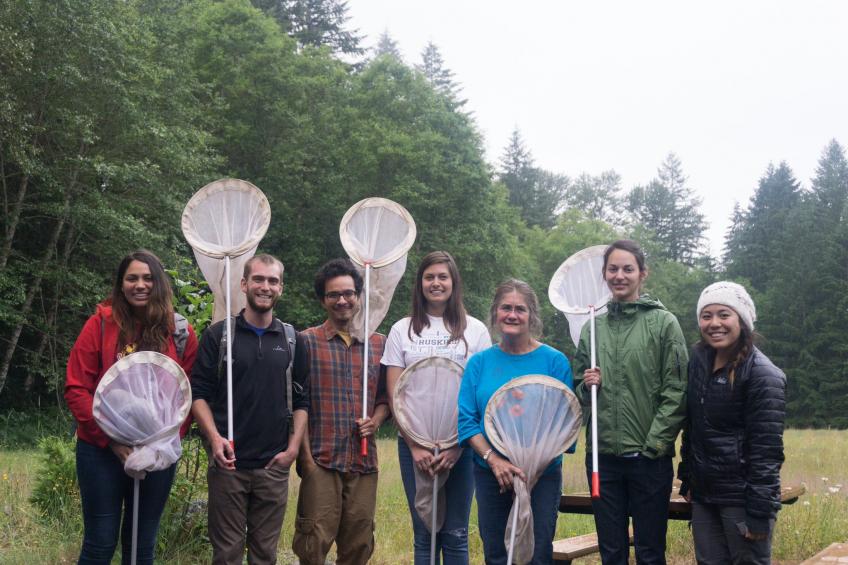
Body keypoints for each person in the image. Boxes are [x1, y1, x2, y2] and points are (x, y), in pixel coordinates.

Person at [65, 250, 198, 565]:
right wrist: (112, 441)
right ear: (121, 284)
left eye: (148, 278)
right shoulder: (99, 325)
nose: (140, 285)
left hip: (158, 455)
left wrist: (161, 445)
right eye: (132, 278)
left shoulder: (179, 331)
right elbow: (76, 387)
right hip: (101, 452)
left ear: (160, 283)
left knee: (141, 547)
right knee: (99, 543)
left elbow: (189, 396)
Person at [573, 239, 688, 565]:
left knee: (650, 552)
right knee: (612, 553)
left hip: (649, 461)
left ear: (642, 274)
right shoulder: (592, 328)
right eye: (613, 269)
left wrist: (653, 446)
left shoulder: (664, 324)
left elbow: (677, 391)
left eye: (628, 269)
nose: (619, 275)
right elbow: (577, 387)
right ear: (604, 274)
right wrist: (586, 385)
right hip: (602, 459)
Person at [191, 254, 308, 564]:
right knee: (227, 554)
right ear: (244, 284)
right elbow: (198, 394)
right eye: (258, 279)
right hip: (229, 465)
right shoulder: (219, 336)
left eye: (272, 281)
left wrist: (292, 450)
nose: (265, 287)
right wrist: (215, 439)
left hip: (273, 467)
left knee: (265, 555)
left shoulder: (292, 340)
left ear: (281, 287)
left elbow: (302, 401)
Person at [383, 251, 491, 565]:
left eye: (443, 276)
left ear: (454, 282)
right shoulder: (402, 330)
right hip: (413, 445)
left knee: (456, 533)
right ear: (419, 284)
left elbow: (480, 392)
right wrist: (415, 445)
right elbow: (394, 392)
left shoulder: (475, 330)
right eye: (429, 277)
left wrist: (458, 446)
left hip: (461, 444)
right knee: (424, 533)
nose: (436, 283)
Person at [458, 279, 574, 565]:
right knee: (497, 553)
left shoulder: (555, 362)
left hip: (542, 475)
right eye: (505, 308)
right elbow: (467, 420)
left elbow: (564, 424)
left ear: (532, 316)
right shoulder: (479, 363)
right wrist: (494, 460)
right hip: (491, 474)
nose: (512, 314)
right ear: (495, 313)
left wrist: (531, 466)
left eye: (520, 309)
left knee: (537, 552)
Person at [678, 282, 785, 565]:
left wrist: (760, 512)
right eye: (706, 315)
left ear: (743, 320)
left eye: (724, 315)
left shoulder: (763, 375)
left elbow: (766, 452)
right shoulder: (699, 361)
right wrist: (687, 476)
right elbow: (694, 427)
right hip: (704, 496)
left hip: (742, 500)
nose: (714, 323)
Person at [292, 258, 390, 565]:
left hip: (363, 462)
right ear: (323, 300)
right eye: (333, 295)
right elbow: (295, 404)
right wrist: (305, 460)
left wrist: (375, 420)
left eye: (349, 293)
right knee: (313, 543)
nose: (342, 300)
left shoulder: (378, 344)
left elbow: (387, 398)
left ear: (359, 297)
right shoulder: (305, 342)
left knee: (359, 544)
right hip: (321, 459)